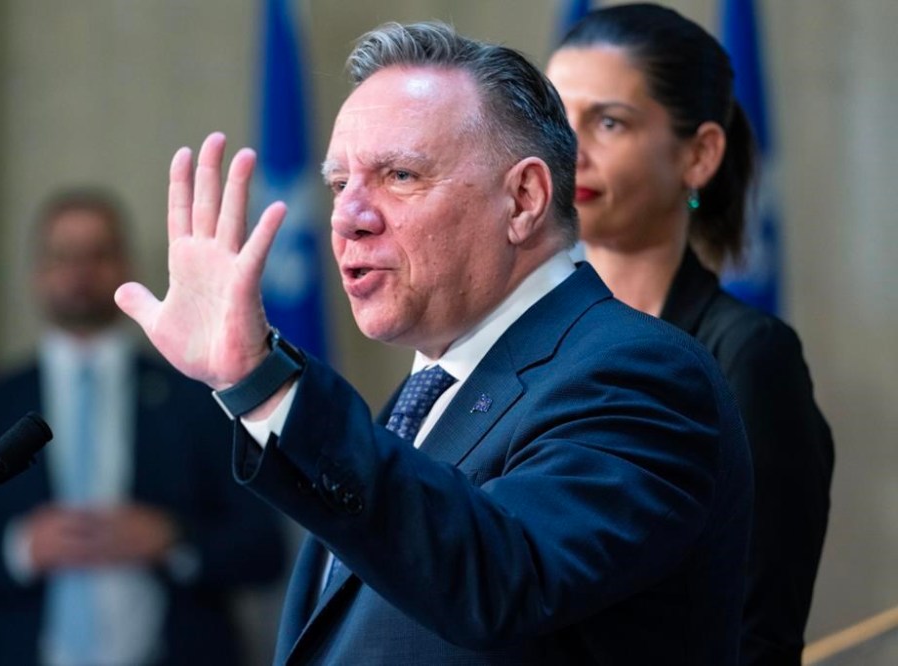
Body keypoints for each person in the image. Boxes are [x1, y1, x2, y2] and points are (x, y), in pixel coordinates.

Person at [115, 22, 753, 664]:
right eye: (339, 185)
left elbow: (502, 578)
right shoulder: (422, 398)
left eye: (399, 175)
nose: (348, 218)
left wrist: (267, 383)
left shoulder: (637, 373)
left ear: (523, 199)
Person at [545, 4, 834, 663]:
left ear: (699, 154)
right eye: (556, 118)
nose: (570, 151)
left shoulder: (749, 357)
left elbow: (756, 633)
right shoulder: (517, 336)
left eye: (609, 122)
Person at [0, 189, 286, 665]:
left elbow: (265, 550)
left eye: (98, 254)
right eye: (64, 255)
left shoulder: (196, 395)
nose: (80, 272)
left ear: (126, 265)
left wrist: (174, 541)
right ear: (38, 272)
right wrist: (21, 550)